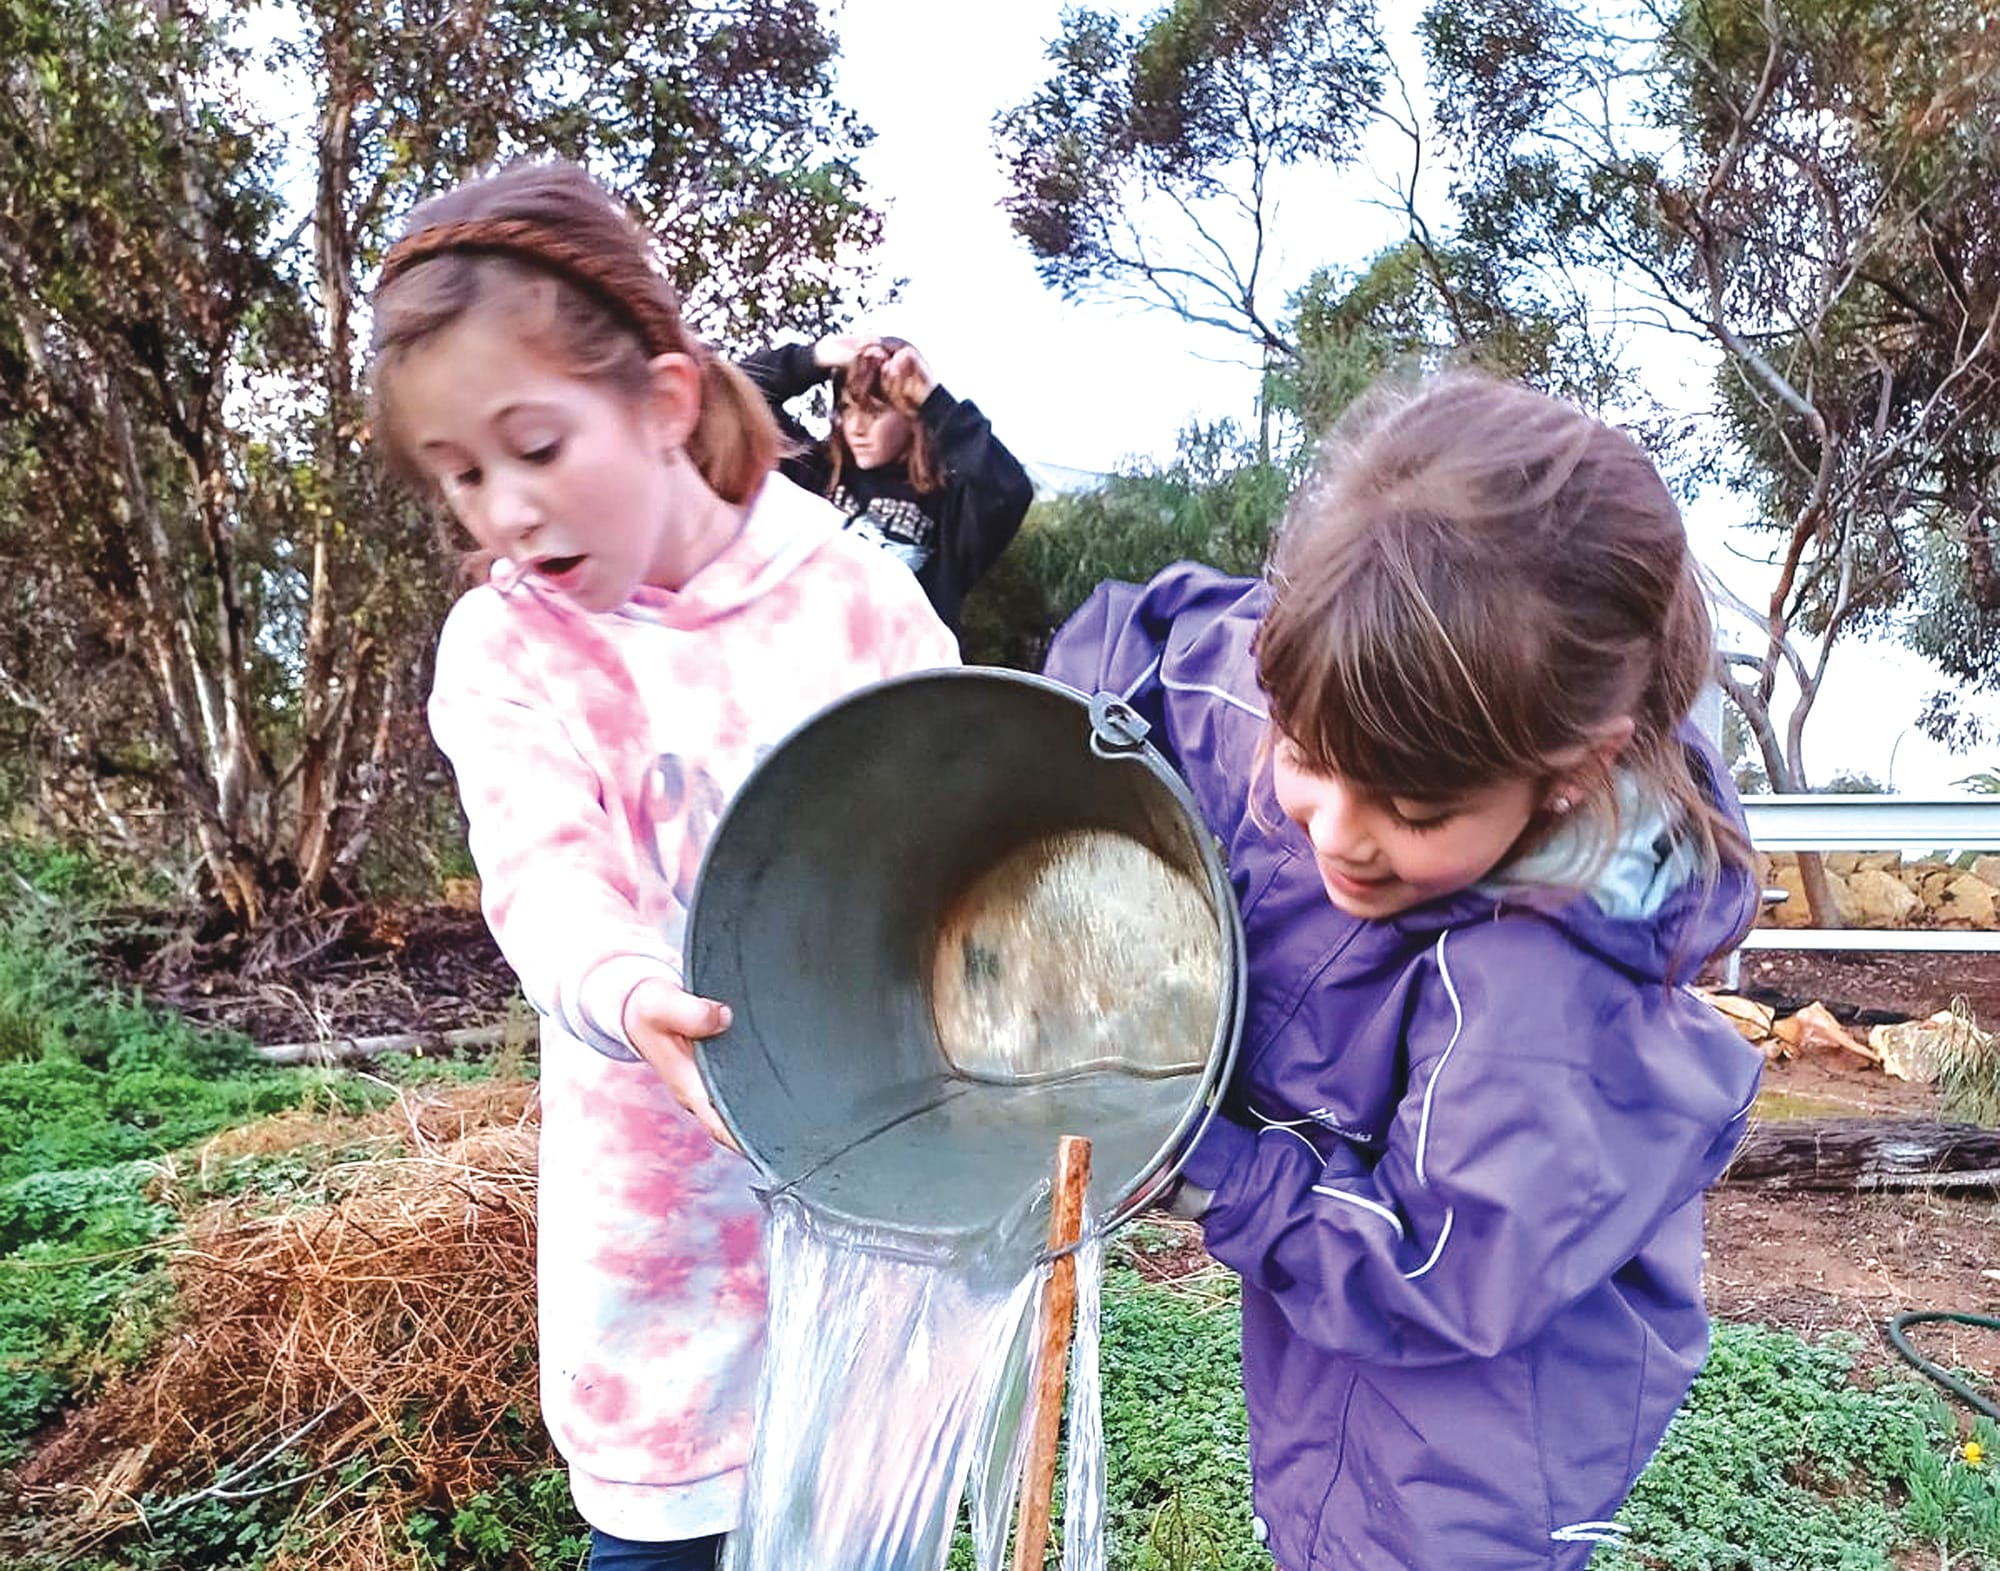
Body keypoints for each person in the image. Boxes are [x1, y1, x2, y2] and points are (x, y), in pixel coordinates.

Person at [1042, 373, 1764, 1570]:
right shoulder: (1296, 679)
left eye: (1416, 809)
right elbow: (1143, 646)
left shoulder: (1547, 990)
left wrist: (1200, 1163)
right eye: (1306, 762)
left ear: (1569, 772)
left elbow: (1437, 1268)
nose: (1337, 832)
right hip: (1325, 1266)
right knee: (1311, 1500)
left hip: (1486, 1386)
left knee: (1388, 1539)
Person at [368, 161, 958, 1571]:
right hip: (664, 1286)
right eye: (460, 477)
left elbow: (963, 825)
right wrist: (634, 992)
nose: (504, 508)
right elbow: (541, 875)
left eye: (535, 445)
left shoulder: (850, 592)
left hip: (886, 1251)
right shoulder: (511, 651)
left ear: (666, 400)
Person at [740, 333, 1033, 635]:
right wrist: (815, 356)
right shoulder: (814, 472)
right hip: (806, 658)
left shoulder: (949, 505)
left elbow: (1008, 489)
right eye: (845, 409)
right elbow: (735, 395)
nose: (856, 427)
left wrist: (934, 400)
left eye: (874, 412)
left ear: (912, 415)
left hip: (903, 674)